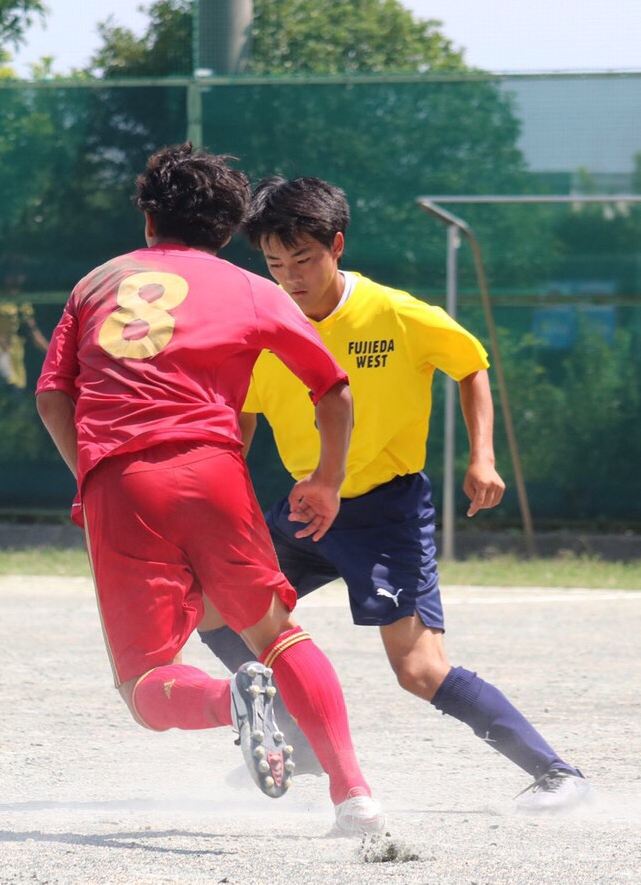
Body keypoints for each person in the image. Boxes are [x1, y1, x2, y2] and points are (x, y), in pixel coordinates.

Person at [197, 175, 591, 813]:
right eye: (274, 263)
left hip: (385, 512)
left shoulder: (396, 314)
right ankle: (294, 744)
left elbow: (470, 364)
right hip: (303, 510)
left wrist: (482, 457)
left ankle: (558, 774)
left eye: (305, 259)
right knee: (210, 606)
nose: (291, 277)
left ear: (337, 246)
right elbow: (236, 426)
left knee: (419, 671)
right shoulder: (261, 327)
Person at [35, 144, 385, 836]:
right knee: (280, 637)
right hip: (213, 471)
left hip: (121, 480)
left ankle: (232, 702)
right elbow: (333, 389)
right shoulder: (254, 289)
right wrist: (326, 481)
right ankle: (356, 799)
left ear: (148, 222)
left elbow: (53, 399)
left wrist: (92, 477)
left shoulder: (96, 284)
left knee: (145, 681)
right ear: (228, 231)